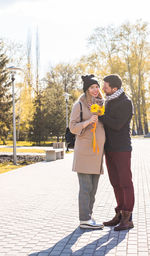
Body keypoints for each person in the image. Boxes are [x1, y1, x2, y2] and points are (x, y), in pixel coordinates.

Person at [98, 74, 135, 231]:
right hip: (110, 148)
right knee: (115, 183)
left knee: (125, 182)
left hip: (122, 148)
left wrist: (101, 115)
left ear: (114, 88)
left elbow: (117, 124)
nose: (103, 88)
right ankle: (120, 214)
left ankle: (128, 218)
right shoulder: (109, 101)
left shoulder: (125, 102)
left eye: (105, 86)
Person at [69, 74, 105, 229]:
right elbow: (72, 127)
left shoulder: (102, 104)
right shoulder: (79, 105)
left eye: (97, 86)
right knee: (86, 187)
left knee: (94, 187)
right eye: (92, 87)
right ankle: (84, 219)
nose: (95, 89)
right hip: (84, 151)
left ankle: (88, 216)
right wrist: (88, 122)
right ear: (86, 89)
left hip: (97, 152)